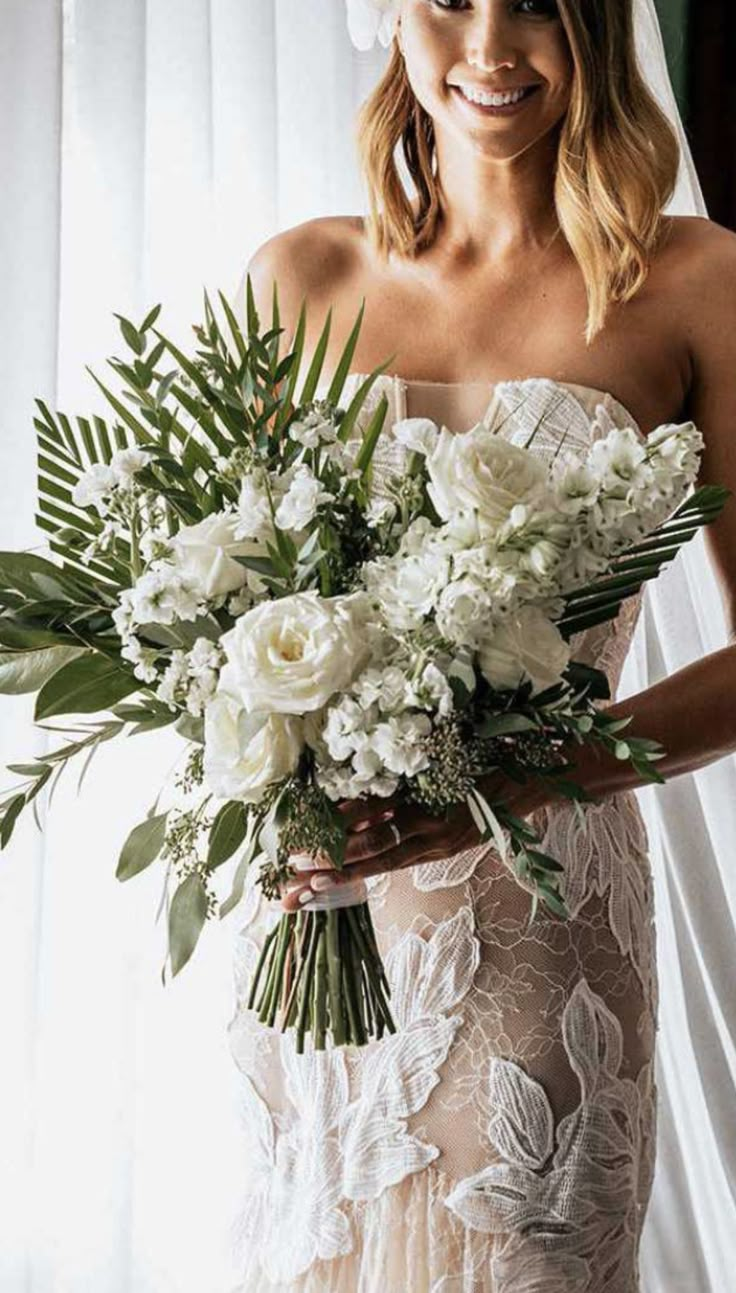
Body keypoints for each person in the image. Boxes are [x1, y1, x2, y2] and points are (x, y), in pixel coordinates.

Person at [227, 2, 736, 1289]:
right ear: (390, 18)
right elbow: (239, 611)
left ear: (597, 27)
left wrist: (533, 779)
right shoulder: (300, 277)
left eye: (538, 2)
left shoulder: (698, 282)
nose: (492, 44)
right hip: (320, 921)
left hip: (540, 917)